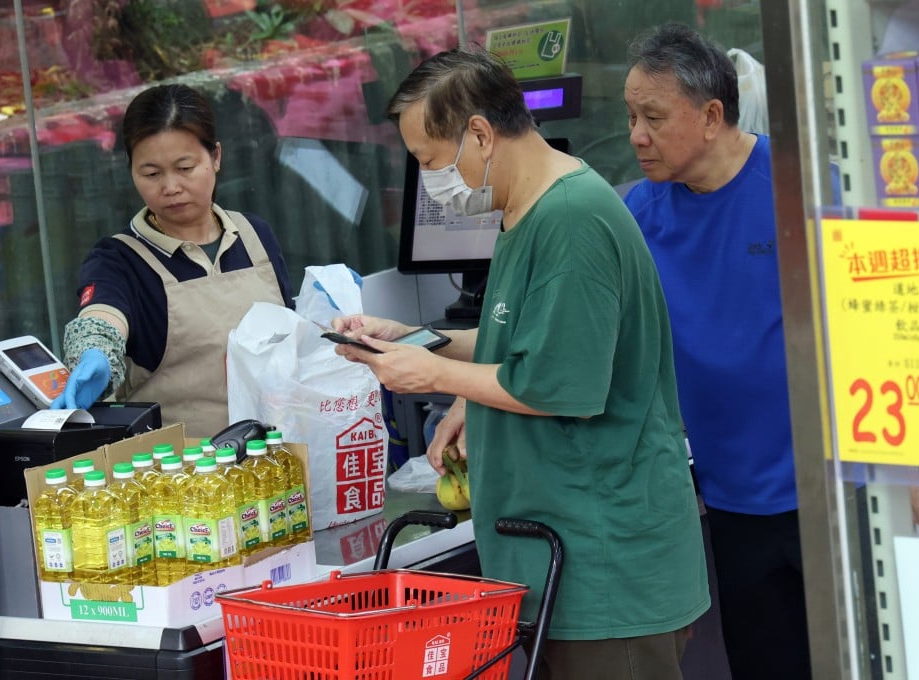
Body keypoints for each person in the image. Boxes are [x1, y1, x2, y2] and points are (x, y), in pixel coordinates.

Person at [331, 46, 709, 680]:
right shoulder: (525, 210)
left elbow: (558, 383)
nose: (430, 180)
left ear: (479, 133)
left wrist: (432, 376)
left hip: (604, 566)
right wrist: (415, 337)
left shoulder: (571, 220)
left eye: (429, 160)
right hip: (555, 553)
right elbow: (520, 339)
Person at [621, 22, 811, 680]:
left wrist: (917, 475)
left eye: (652, 116)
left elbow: (895, 326)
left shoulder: (803, 185)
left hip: (831, 494)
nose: (635, 135)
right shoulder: (638, 216)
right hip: (730, 503)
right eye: (630, 116)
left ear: (710, 115)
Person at [51, 83, 295, 436]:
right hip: (180, 476)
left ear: (216, 157)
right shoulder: (119, 259)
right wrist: (96, 356)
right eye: (151, 174)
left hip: (275, 459)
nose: (170, 187)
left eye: (185, 167)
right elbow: (101, 317)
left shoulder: (254, 235)